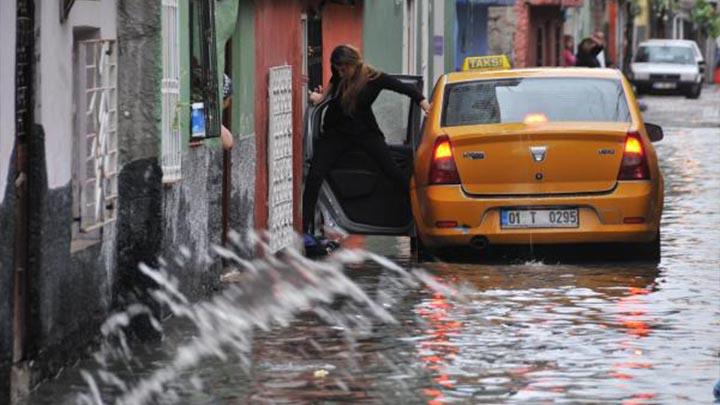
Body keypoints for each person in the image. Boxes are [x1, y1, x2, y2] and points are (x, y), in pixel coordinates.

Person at [302, 44, 431, 249]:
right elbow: (328, 94)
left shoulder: (373, 78)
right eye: (337, 68)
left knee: (393, 173)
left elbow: (403, 88)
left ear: (354, 64)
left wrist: (423, 102)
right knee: (315, 176)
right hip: (335, 134)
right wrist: (317, 98)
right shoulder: (338, 76)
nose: (341, 72)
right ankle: (305, 231)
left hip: (365, 133)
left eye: (344, 68)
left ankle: (422, 219)